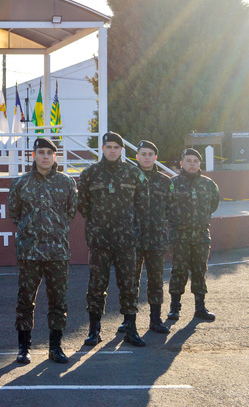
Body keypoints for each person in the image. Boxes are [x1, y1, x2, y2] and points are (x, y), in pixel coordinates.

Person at [8, 137, 77, 365]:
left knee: (58, 301)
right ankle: (23, 347)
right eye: (41, 152)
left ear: (54, 156)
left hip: (57, 252)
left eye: (49, 152)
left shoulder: (67, 183)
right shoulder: (21, 183)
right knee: (25, 300)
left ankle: (55, 347)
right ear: (33, 155)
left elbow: (70, 213)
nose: (45, 156)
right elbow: (14, 214)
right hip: (29, 252)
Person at [77, 131, 147, 347]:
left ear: (122, 150)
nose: (113, 151)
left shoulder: (134, 173)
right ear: (103, 149)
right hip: (100, 240)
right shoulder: (89, 174)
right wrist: (98, 225)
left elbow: (142, 204)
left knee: (129, 285)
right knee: (97, 286)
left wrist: (131, 230)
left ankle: (131, 328)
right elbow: (83, 205)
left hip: (126, 241)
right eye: (109, 147)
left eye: (117, 147)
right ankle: (94, 330)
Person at [118, 140, 172, 335]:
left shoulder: (165, 181)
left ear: (155, 157)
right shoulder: (128, 177)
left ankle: (155, 320)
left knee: (156, 281)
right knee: (130, 281)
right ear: (137, 157)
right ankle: (127, 320)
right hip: (132, 239)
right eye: (143, 154)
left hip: (156, 239)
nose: (147, 157)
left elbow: (171, 208)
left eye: (150, 154)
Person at [167, 148, 220, 322]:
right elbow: (166, 207)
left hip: (201, 236)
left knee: (200, 271)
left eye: (195, 161)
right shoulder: (172, 183)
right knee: (178, 271)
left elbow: (214, 204)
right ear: (182, 163)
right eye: (188, 161)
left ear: (199, 164)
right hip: (179, 236)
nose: (192, 164)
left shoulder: (209, 184)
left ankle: (200, 308)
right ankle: (175, 308)